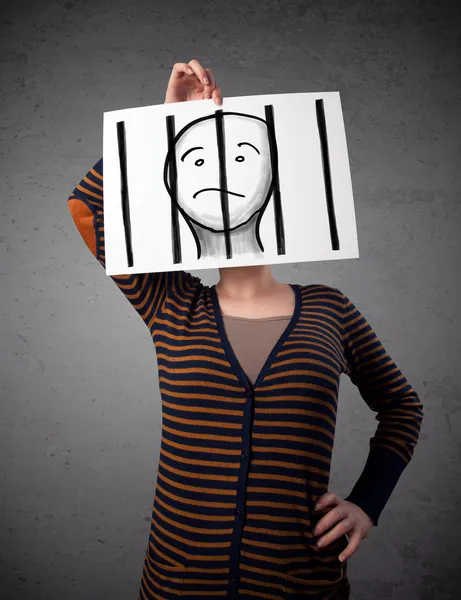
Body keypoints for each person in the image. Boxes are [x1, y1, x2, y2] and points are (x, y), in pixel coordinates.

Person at [67, 59, 424, 600]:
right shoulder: (169, 302)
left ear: (274, 180)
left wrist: (367, 502)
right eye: (198, 162)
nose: (220, 176)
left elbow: (403, 407)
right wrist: (164, 126)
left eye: (241, 158)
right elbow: (88, 207)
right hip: (177, 584)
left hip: (302, 585)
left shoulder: (331, 310)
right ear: (176, 187)